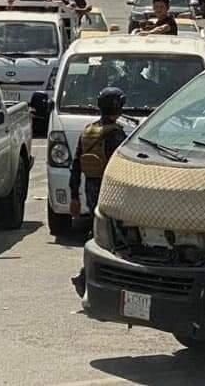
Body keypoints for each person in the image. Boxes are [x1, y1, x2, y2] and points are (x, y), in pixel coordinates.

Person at [69, 87, 128, 294]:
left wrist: (74, 197)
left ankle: (87, 278)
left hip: (91, 190)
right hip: (110, 192)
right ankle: (89, 278)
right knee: (111, 238)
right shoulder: (115, 134)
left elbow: (76, 165)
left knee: (98, 233)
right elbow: (121, 167)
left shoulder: (88, 131)